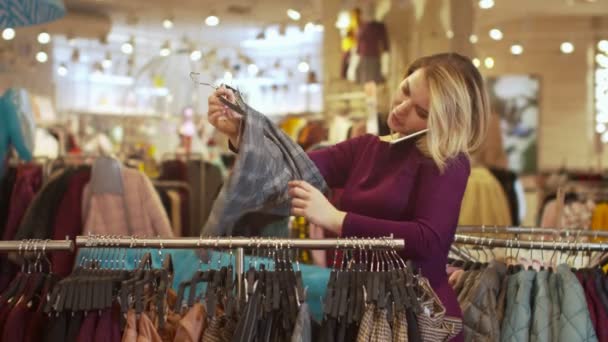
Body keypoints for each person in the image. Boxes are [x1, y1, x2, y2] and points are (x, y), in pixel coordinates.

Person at [207, 52, 490, 341]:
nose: (401, 108)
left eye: (421, 112)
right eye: (405, 90)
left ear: (444, 122)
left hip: (415, 317)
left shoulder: (447, 162)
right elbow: (291, 167)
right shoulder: (367, 148)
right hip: (357, 308)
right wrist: (242, 132)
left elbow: (428, 240)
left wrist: (337, 219)